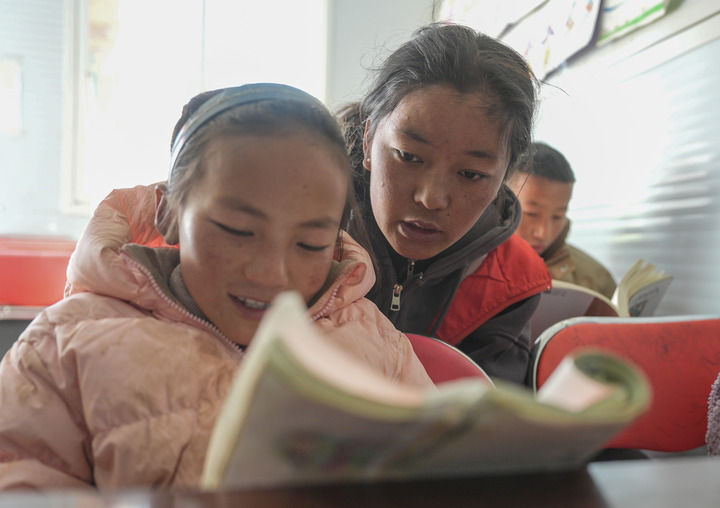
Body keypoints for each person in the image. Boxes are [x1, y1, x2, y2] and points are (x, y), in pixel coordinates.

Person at [0, 83, 433, 490]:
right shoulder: (63, 347)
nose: (273, 274)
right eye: (237, 231)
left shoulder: (377, 344)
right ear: (168, 214)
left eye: (309, 244)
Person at [339, 23, 552, 385]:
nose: (431, 198)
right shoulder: (304, 236)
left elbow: (484, 413)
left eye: (471, 174)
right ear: (368, 140)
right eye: (408, 156)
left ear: (504, 177)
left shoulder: (511, 283)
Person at [507, 142, 616, 299]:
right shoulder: (472, 266)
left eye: (557, 216)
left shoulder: (597, 281)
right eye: (531, 214)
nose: (543, 233)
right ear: (501, 201)